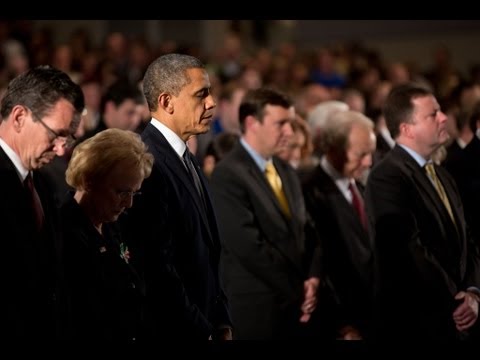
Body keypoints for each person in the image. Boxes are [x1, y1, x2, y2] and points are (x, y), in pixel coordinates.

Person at [120, 53, 232, 341]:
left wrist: (221, 320)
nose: (212, 102)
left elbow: (206, 252)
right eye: (201, 94)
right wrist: (202, 329)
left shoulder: (185, 156)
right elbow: (157, 267)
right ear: (167, 102)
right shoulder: (147, 162)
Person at [364, 83, 480, 341]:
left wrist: (473, 291)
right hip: (419, 322)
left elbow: (467, 238)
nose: (444, 118)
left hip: (459, 318)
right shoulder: (386, 177)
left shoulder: (441, 174)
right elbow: (408, 249)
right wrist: (457, 300)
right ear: (407, 129)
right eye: (433, 114)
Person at [209, 88, 322, 339]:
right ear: (252, 123)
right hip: (258, 311)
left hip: (296, 307)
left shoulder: (285, 170)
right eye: (281, 124)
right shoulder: (227, 175)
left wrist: (314, 277)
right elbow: (249, 247)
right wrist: (299, 288)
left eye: (291, 124)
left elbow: (308, 230)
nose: (290, 132)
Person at [0, 65, 84, 343]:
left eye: (68, 138)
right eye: (56, 134)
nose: (61, 149)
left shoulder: (44, 185)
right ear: (20, 117)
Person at [61, 128, 153, 344]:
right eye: (121, 192)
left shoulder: (114, 226)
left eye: (134, 193)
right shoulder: (65, 233)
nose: (128, 203)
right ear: (89, 180)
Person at [301, 110, 376, 340]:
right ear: (333, 148)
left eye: (370, 153)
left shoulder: (362, 188)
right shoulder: (309, 192)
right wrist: (342, 324)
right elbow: (320, 263)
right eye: (361, 154)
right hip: (339, 325)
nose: (369, 162)